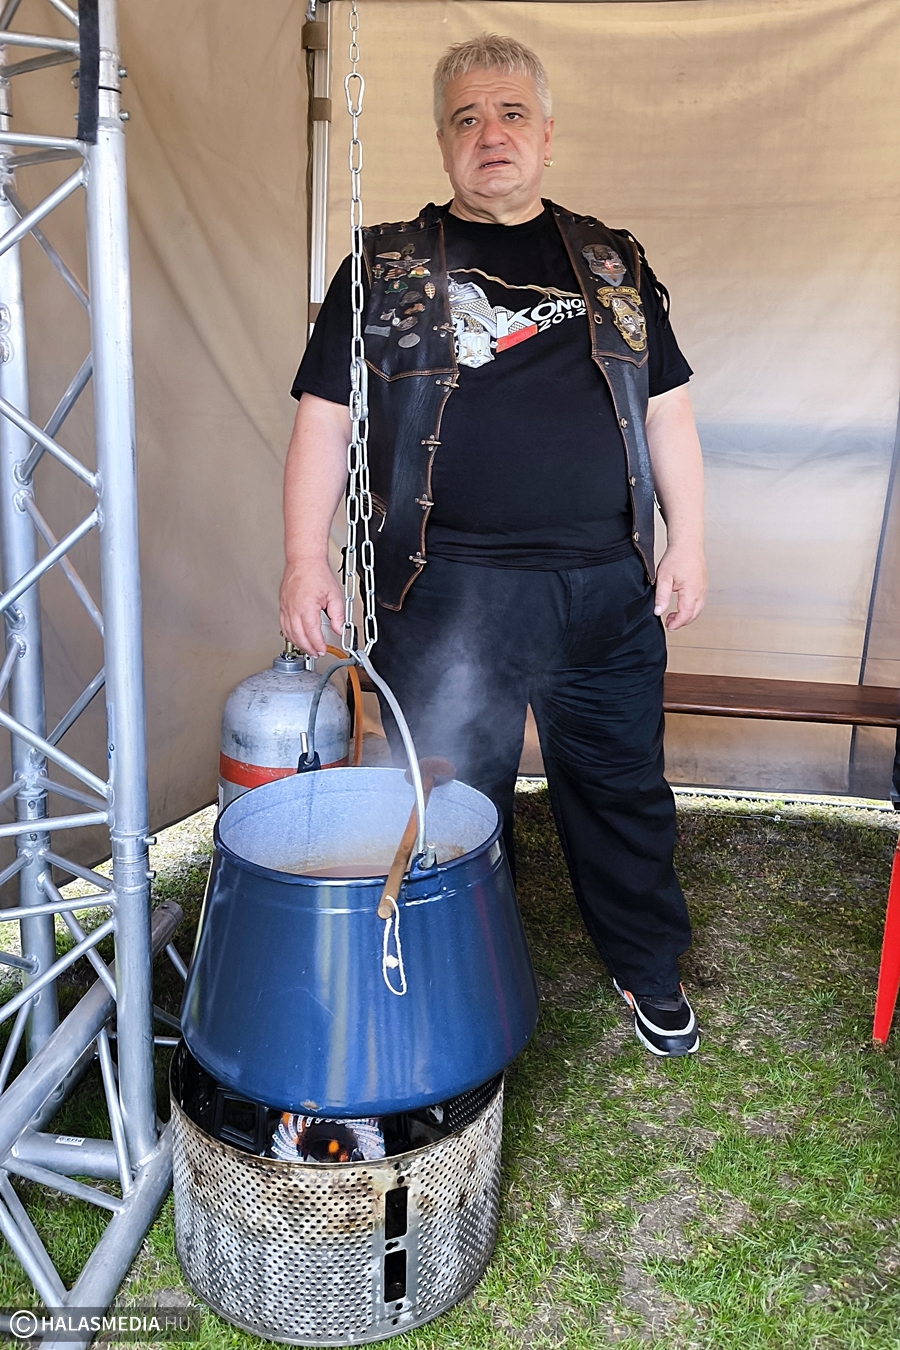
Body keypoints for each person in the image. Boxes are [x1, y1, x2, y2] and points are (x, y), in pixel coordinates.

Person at [279, 34, 707, 1058]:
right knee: (447, 797)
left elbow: (669, 412)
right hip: (444, 591)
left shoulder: (614, 261)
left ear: (547, 135)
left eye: (512, 114)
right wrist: (303, 556)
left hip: (604, 590)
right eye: (466, 118)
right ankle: (451, 974)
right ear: (442, 142)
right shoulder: (382, 266)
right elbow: (325, 420)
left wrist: (689, 540)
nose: (491, 134)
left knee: (621, 788)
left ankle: (647, 965)